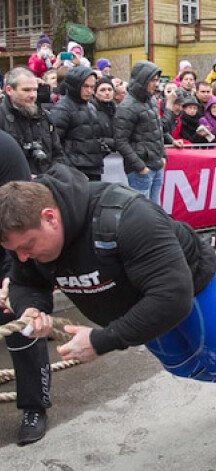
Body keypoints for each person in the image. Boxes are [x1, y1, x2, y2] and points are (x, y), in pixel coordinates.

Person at [0, 164, 216, 429]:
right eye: (16, 251)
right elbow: (25, 283)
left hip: (192, 284)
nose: (23, 257)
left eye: (27, 246)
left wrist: (101, 341)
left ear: (50, 217)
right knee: (182, 367)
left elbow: (173, 296)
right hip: (139, 302)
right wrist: (31, 310)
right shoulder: (30, 237)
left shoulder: (127, 216)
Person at [0, 130, 51, 446]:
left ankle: (35, 407)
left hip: (6, 247)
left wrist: (10, 279)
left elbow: (18, 214)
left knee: (20, 323)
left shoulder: (4, 146)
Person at [114, 60, 182, 205]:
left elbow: (158, 130)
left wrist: (163, 156)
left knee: (155, 210)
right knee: (141, 213)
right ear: (142, 80)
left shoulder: (151, 101)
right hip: (141, 170)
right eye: (152, 80)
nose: (156, 84)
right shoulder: (126, 107)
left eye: (157, 80)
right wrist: (140, 167)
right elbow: (121, 141)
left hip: (156, 165)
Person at [0, 67, 67, 176]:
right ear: (9, 90)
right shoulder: (2, 118)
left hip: (47, 184)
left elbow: (58, 154)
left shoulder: (45, 117)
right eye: (26, 90)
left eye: (35, 90)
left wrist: (51, 178)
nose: (32, 95)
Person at [50, 67, 106, 181]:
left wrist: (102, 148)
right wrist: (68, 168)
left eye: (92, 87)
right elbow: (54, 143)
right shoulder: (62, 108)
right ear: (75, 85)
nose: (89, 91)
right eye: (85, 86)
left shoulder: (91, 106)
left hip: (93, 167)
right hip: (75, 170)